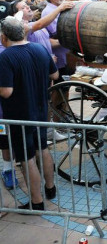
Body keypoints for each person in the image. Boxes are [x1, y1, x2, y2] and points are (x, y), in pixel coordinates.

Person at [0, 17, 58, 210]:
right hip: (41, 111)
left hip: (19, 115)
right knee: (43, 149)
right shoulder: (40, 49)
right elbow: (55, 75)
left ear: (4, 37)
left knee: (27, 158)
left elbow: (6, 92)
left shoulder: (5, 57)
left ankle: (36, 201)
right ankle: (50, 189)